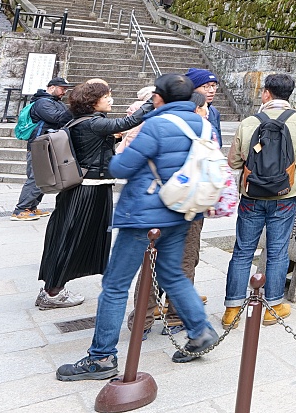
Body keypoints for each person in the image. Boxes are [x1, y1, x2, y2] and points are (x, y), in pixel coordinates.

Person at [55, 74, 220, 381]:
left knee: (116, 285)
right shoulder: (202, 123)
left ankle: (101, 357)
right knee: (172, 274)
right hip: (181, 210)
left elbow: (121, 167)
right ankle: (200, 330)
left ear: (160, 97)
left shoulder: (157, 124)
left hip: (144, 214)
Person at [128, 67, 227, 335]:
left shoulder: (167, 119)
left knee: (178, 259)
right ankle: (148, 318)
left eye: (214, 85)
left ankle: (167, 315)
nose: (211, 90)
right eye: (205, 86)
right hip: (174, 201)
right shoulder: (192, 122)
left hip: (178, 200)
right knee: (164, 259)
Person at [36, 82, 151, 310]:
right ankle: (52, 293)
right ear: (92, 101)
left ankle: (53, 287)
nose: (111, 100)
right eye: (106, 96)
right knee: (71, 239)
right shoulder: (94, 122)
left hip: (82, 188)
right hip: (89, 189)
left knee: (67, 236)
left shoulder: (79, 121)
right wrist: (152, 102)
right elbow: (127, 122)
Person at [221, 73, 296, 328]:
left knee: (242, 251)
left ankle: (232, 310)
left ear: (266, 93)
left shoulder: (249, 122)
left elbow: (233, 161)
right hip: (285, 195)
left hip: (252, 195)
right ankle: (273, 306)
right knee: (277, 251)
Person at [11, 77, 71, 221]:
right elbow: (58, 118)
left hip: (48, 145)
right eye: (62, 88)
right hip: (39, 146)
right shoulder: (43, 103)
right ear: (51, 87)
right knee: (36, 178)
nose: (64, 92)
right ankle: (20, 210)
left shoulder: (55, 102)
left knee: (43, 178)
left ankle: (31, 207)